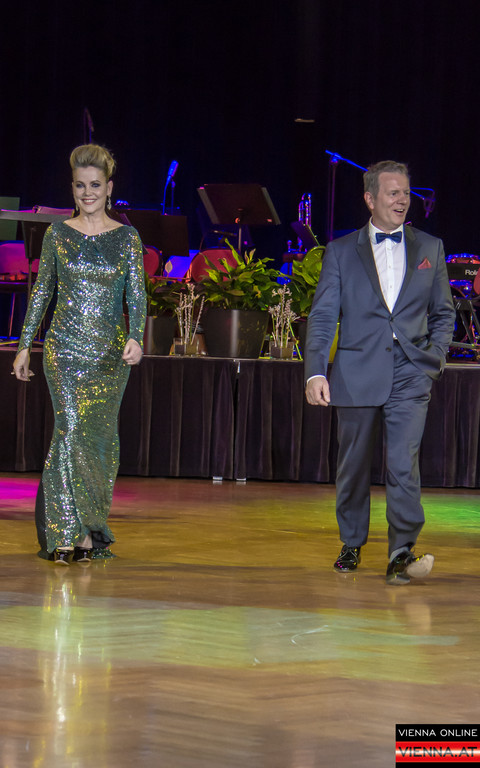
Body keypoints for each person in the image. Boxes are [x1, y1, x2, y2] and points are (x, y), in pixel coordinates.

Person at [304, 161, 455, 585]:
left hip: (411, 371)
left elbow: (444, 313)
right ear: (370, 199)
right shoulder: (340, 251)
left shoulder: (431, 248)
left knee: (403, 463)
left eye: (406, 193)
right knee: (352, 466)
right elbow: (323, 317)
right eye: (393, 193)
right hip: (356, 371)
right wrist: (315, 372)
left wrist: (435, 356)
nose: (402, 200)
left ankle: (401, 552)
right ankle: (352, 541)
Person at [13, 144, 146, 565]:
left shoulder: (127, 238)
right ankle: (64, 534)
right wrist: (24, 346)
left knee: (99, 443)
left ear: (109, 188)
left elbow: (137, 296)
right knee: (69, 433)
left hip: (109, 357)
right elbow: (41, 293)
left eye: (95, 185)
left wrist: (137, 337)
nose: (87, 193)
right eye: (79, 186)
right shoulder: (58, 234)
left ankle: (89, 529)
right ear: (72, 189)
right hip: (64, 352)